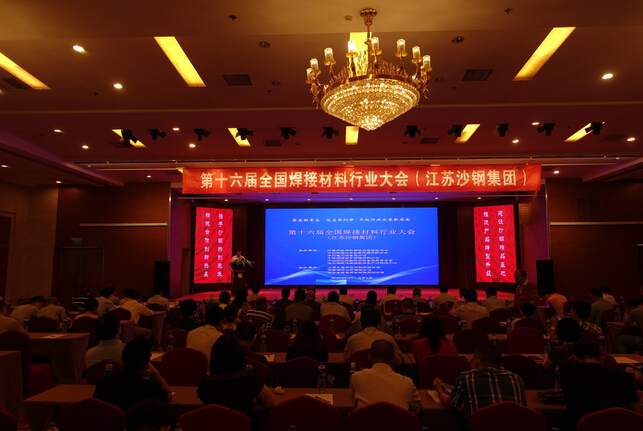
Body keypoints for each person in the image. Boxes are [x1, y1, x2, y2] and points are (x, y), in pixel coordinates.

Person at [433, 343, 526, 428]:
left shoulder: (466, 378)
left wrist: (439, 390)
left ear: (476, 361)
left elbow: (450, 404)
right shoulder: (517, 379)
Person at [560, 339, 642, 430]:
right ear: (602, 359)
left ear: (575, 358)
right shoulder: (624, 377)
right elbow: (638, 414)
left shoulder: (567, 370)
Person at [197, 335, 274, 417]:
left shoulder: (205, 383)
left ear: (214, 356)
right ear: (239, 355)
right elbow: (269, 403)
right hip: (243, 423)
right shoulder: (251, 379)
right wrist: (245, 406)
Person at [94, 337, 171, 412]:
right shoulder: (150, 388)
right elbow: (169, 395)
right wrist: (155, 372)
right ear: (146, 364)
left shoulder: (103, 384)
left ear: (122, 360)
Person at [350, 340, 421, 413]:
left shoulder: (356, 378)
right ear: (393, 360)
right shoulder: (407, 383)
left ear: (369, 358)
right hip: (397, 420)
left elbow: (355, 407)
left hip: (366, 420)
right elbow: (418, 408)